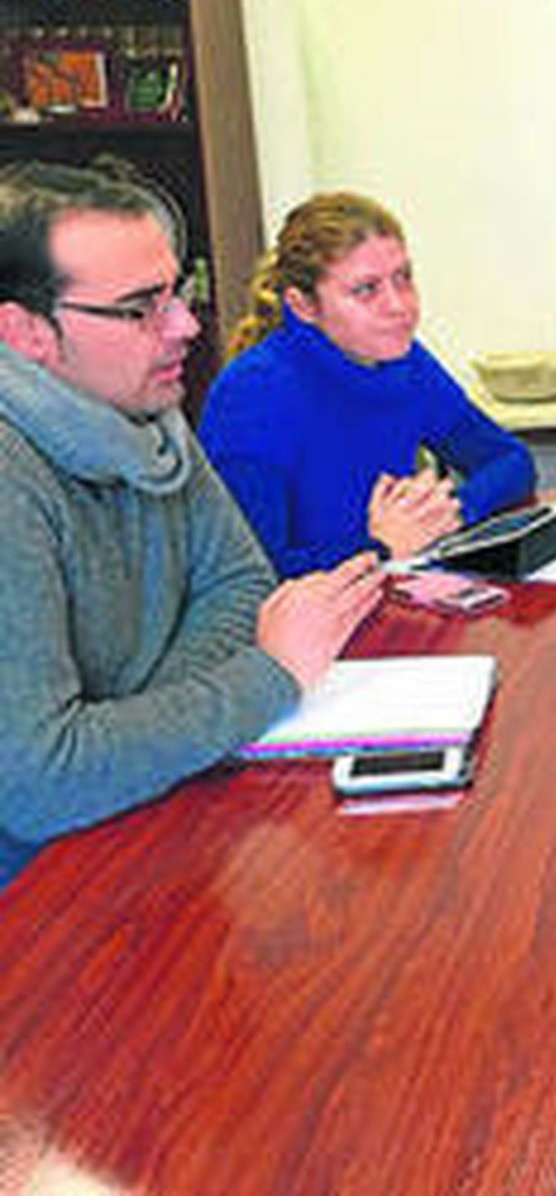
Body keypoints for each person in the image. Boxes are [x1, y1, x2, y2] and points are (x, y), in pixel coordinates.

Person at [0, 161, 385, 890]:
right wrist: (269, 674)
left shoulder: (149, 412)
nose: (185, 324)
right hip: (41, 906)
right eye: (141, 307)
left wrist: (127, 724)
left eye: (179, 291)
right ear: (25, 332)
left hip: (140, 819)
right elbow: (42, 782)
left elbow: (242, 585)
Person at [199, 192, 534, 576]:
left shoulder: (403, 361)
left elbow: (511, 460)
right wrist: (381, 547)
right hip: (307, 623)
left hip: (390, 590)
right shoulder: (251, 394)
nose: (398, 306)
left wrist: (450, 510)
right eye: (366, 290)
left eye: (403, 278)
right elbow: (252, 576)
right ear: (303, 306)